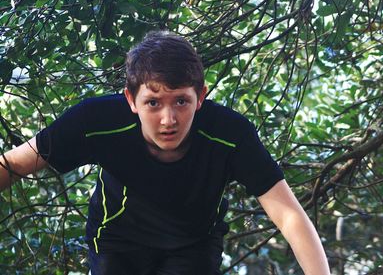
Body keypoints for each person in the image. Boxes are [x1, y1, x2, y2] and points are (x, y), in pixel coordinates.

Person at [0, 31, 330, 275]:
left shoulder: (231, 134)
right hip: (118, 242)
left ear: (200, 97)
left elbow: (288, 215)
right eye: (153, 103)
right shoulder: (95, 120)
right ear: (131, 100)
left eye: (181, 102)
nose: (168, 119)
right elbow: (17, 161)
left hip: (194, 244)